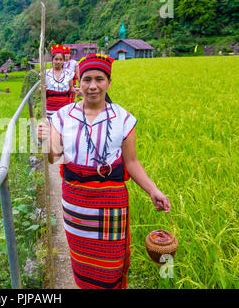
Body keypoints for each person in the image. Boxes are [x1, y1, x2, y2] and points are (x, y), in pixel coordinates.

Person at [37, 53, 171, 289]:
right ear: (78, 83)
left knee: (111, 266)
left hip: (111, 203)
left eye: (99, 79)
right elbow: (53, 157)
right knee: (83, 263)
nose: (92, 86)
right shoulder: (61, 117)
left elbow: (131, 163)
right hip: (77, 205)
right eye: (86, 79)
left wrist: (154, 191)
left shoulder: (123, 118)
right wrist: (45, 140)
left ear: (108, 82)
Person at [44, 44, 77, 117]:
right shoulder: (46, 73)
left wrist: (78, 90)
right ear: (52, 60)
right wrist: (41, 89)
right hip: (50, 108)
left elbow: (71, 88)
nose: (58, 62)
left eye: (61, 59)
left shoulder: (69, 73)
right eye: (56, 59)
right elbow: (41, 89)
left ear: (63, 61)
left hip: (64, 108)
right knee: (51, 127)